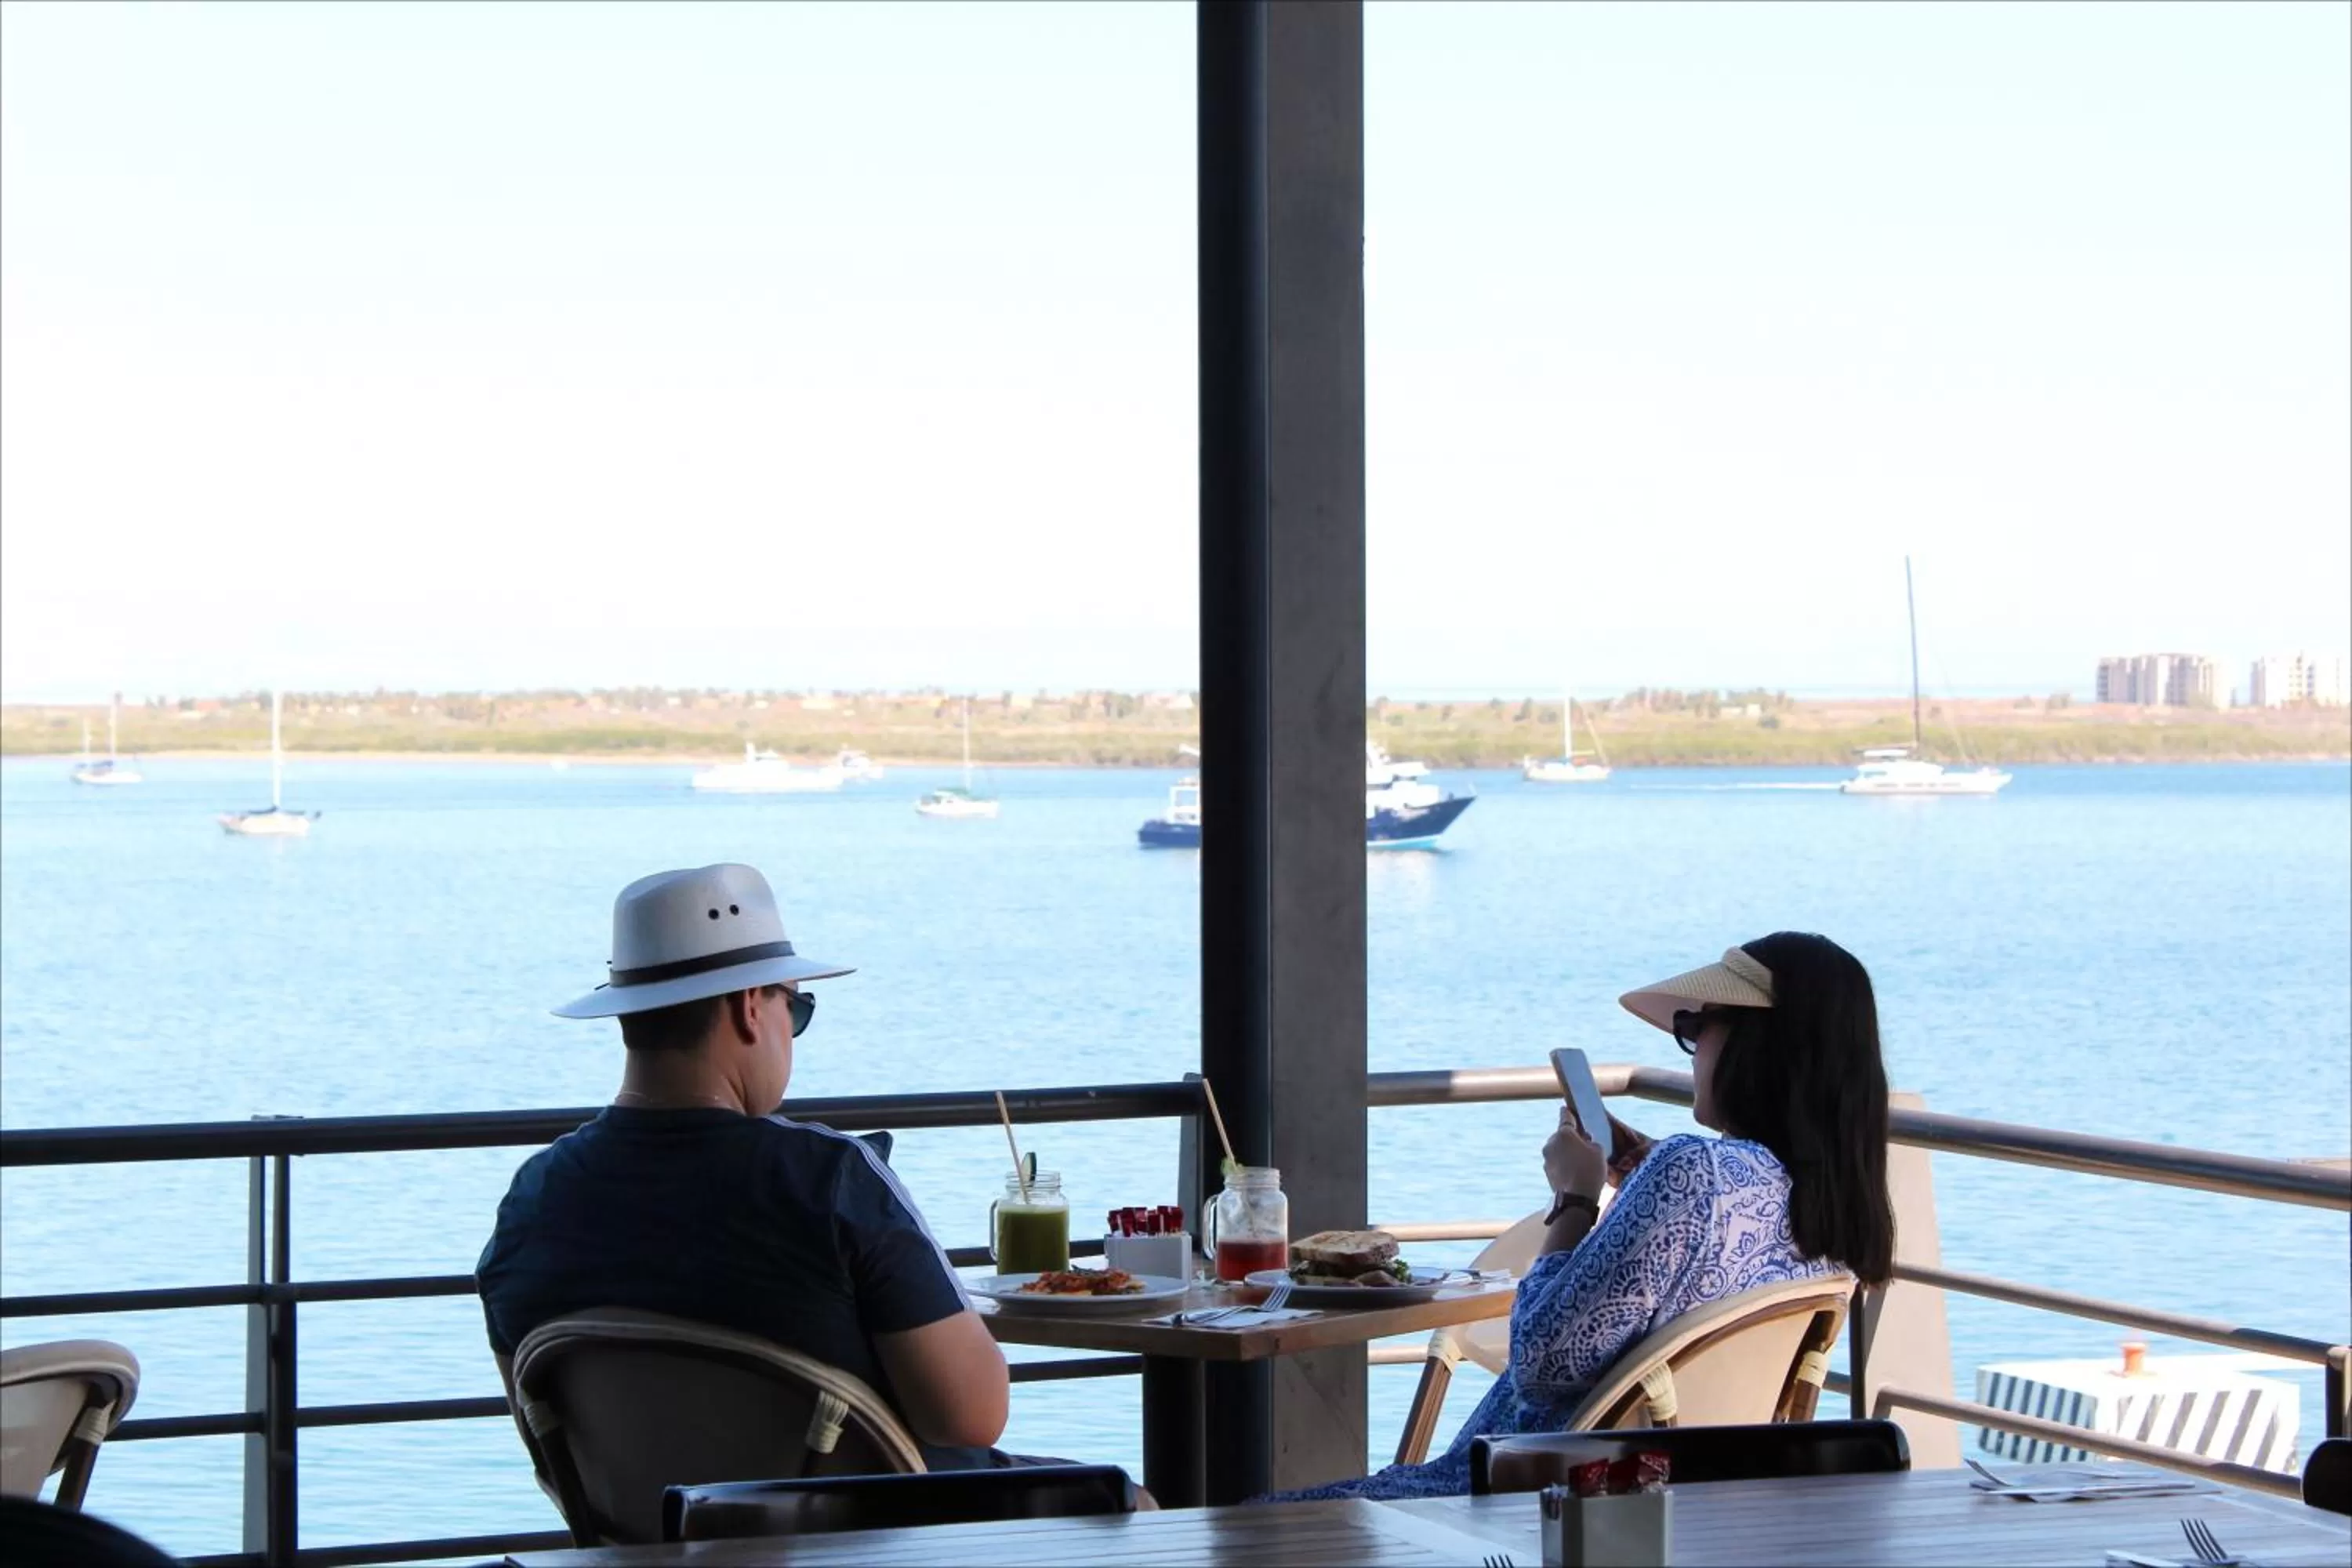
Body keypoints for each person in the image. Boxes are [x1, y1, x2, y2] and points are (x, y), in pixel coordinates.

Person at [1274, 930, 1896, 1501]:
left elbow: (1541, 1367)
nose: (1691, 1049)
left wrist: (1574, 1200)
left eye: (1697, 1026)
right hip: (1684, 1511)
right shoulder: (1832, 1203)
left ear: (1758, 1044)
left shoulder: (1694, 1173)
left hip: (1520, 1503)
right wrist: (1642, 1171)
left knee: (1243, 1528)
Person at [476, 862, 1021, 1468]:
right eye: (796, 1009)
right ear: (748, 1009)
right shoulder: (830, 1179)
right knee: (1107, 1497)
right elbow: (972, 1416)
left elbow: (545, 1434)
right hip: (883, 1523)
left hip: (651, 1525)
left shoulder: (530, 1202)